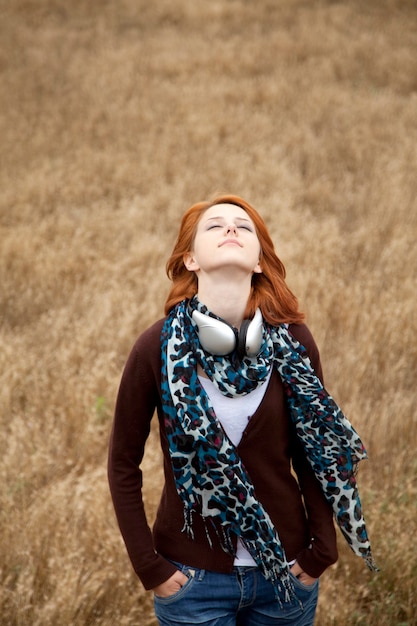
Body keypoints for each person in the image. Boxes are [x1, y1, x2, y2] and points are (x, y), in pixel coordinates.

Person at [108, 195, 376, 626]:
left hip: (286, 577)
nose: (231, 229)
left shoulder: (295, 344)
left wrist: (321, 549)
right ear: (190, 259)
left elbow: (317, 453)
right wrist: (150, 567)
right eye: (214, 226)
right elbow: (123, 463)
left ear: (258, 262)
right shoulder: (155, 348)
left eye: (243, 226)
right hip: (193, 581)